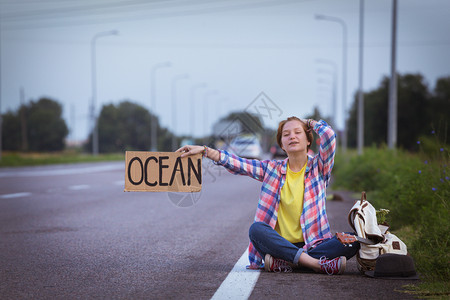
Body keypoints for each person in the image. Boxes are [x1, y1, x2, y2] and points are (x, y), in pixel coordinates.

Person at [177, 117, 359, 274]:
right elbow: (239, 163)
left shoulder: (319, 168)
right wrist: (205, 151)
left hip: (314, 244)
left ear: (308, 140)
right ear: (281, 144)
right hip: (278, 246)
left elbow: (329, 136)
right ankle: (316, 264)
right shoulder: (271, 169)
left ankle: (291, 263)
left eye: (298, 132)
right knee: (257, 230)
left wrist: (309, 122)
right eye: (286, 135)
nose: (292, 137)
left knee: (354, 240)